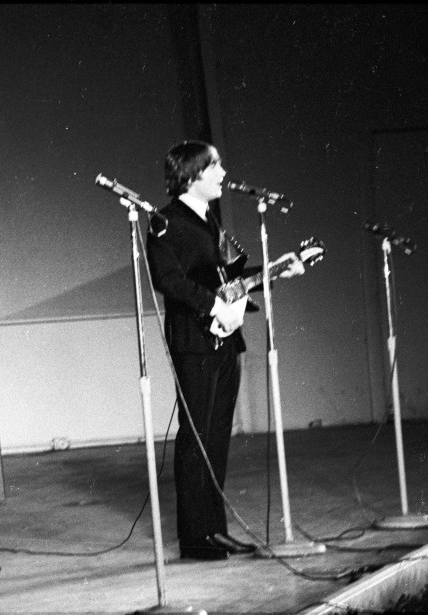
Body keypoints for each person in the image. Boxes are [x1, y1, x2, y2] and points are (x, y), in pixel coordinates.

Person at [146, 140, 304, 561]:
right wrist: (214, 305)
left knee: (217, 437)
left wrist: (276, 271)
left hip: (225, 338)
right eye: (214, 167)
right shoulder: (166, 221)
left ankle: (214, 529)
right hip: (194, 340)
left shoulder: (209, 219)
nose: (222, 174)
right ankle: (194, 537)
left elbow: (228, 280)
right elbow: (168, 280)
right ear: (192, 174)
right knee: (196, 437)